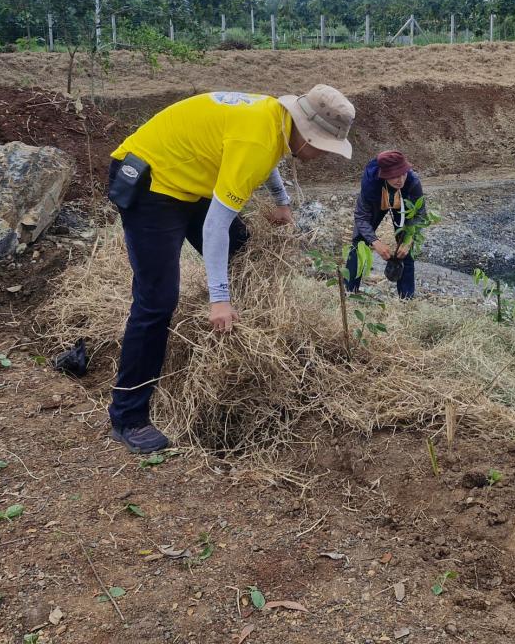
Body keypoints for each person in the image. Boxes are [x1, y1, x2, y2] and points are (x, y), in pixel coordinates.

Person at [106, 86, 355, 455]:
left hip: (190, 177)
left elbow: (266, 159)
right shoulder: (257, 138)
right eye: (321, 145)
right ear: (303, 128)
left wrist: (281, 202)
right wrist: (219, 300)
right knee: (156, 300)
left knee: (243, 251)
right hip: (152, 183)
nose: (321, 155)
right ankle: (128, 417)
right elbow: (214, 227)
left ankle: (238, 342)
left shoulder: (273, 118)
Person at [345, 150, 426, 299]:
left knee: (405, 247)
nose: (400, 179)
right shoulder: (370, 183)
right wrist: (375, 242)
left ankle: (406, 298)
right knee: (359, 244)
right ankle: (349, 292)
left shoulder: (412, 182)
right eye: (394, 176)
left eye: (402, 173)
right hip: (378, 199)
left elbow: (420, 215)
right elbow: (361, 217)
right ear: (384, 174)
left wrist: (408, 240)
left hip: (403, 202)